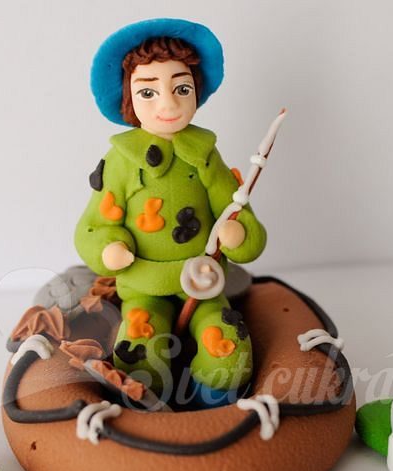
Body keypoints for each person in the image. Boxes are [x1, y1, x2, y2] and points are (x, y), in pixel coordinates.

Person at [75, 18, 266, 405]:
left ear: (197, 90)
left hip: (204, 281)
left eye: (181, 88)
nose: (168, 103)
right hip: (143, 286)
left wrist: (237, 232)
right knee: (140, 350)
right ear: (129, 99)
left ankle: (211, 410)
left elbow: (236, 210)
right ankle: (148, 413)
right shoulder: (121, 162)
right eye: (148, 92)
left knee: (227, 347)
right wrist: (111, 247)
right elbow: (92, 227)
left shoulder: (204, 155)